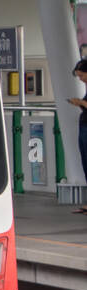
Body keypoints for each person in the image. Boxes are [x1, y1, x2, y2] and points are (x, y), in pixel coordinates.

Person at [69, 59, 87, 215]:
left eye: (82, 75)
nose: (80, 79)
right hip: (84, 126)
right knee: (85, 163)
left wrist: (80, 102)